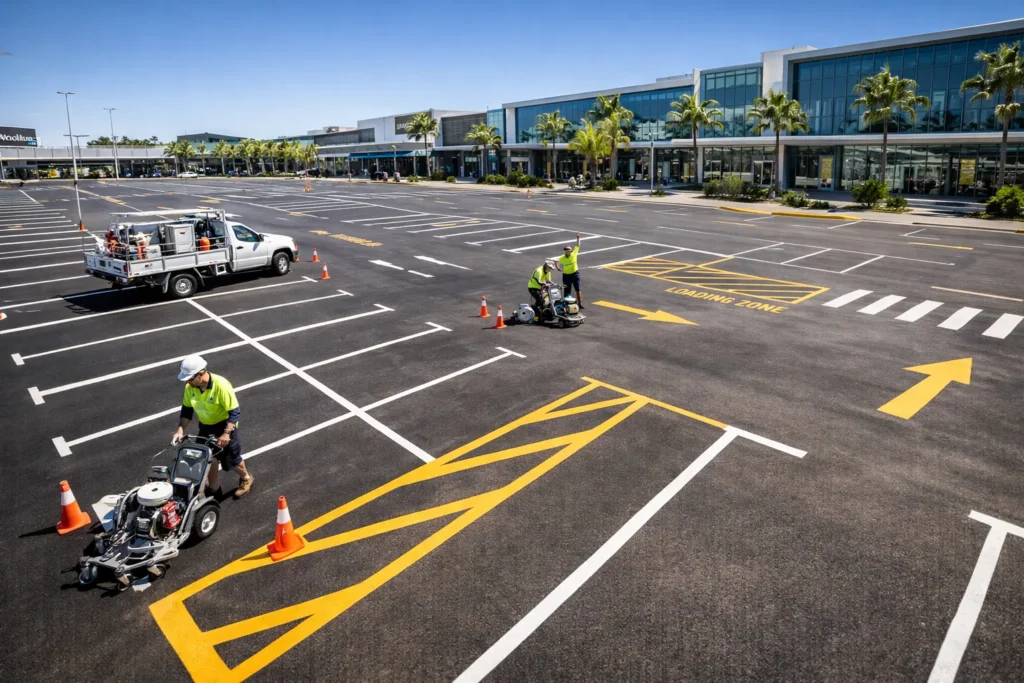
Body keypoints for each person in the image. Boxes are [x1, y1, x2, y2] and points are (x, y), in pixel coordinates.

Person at [171, 354, 254, 499]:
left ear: (201, 374)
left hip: (225, 426)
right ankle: (214, 488)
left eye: (190, 378)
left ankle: (246, 479)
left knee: (231, 460)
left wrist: (226, 433)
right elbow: (187, 410)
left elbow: (234, 412)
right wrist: (180, 430)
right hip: (206, 427)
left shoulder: (221, 385)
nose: (187, 381)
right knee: (206, 457)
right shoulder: (190, 387)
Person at [559, 232, 584, 309]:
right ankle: (566, 304)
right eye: (566, 251)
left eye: (568, 251)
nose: (567, 252)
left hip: (575, 274)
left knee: (578, 289)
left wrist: (578, 238)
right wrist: (558, 268)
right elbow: (558, 262)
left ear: (570, 251)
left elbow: (577, 245)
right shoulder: (562, 258)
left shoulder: (574, 254)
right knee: (567, 290)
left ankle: (580, 303)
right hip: (566, 275)